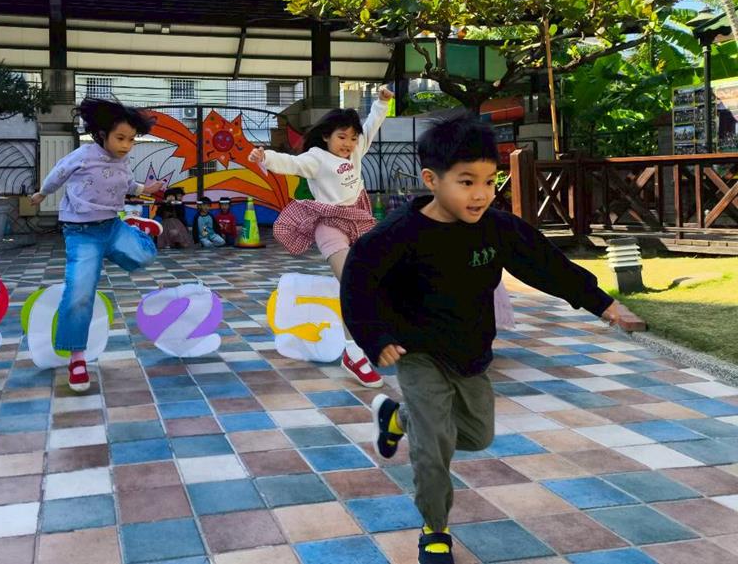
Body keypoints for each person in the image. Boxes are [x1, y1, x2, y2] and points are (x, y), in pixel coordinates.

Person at [341, 114, 624, 564]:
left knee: (476, 435)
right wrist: (375, 337)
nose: (480, 194)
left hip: (469, 353)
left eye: (490, 182)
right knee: (434, 446)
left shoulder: (496, 228)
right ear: (432, 180)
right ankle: (435, 530)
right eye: (467, 182)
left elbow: (546, 265)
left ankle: (397, 419)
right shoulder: (398, 234)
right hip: (417, 351)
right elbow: (358, 282)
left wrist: (602, 304)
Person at [248, 85, 393, 387]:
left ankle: (378, 336)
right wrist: (265, 157)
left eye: (352, 138)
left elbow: (371, 126)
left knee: (375, 280)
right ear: (326, 136)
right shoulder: (316, 157)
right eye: (342, 137)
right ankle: (353, 354)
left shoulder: (356, 150)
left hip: (358, 220)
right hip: (329, 224)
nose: (348, 143)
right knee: (352, 282)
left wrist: (381, 103)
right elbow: (292, 163)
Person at [31, 97, 164, 392]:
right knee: (80, 292)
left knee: (145, 256)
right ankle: (77, 357)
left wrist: (146, 189)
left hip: (112, 226)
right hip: (82, 233)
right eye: (121, 138)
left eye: (131, 139)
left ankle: (135, 230)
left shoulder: (122, 161)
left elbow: (127, 185)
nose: (127, 145)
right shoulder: (83, 155)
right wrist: (42, 193)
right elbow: (58, 173)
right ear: (103, 134)